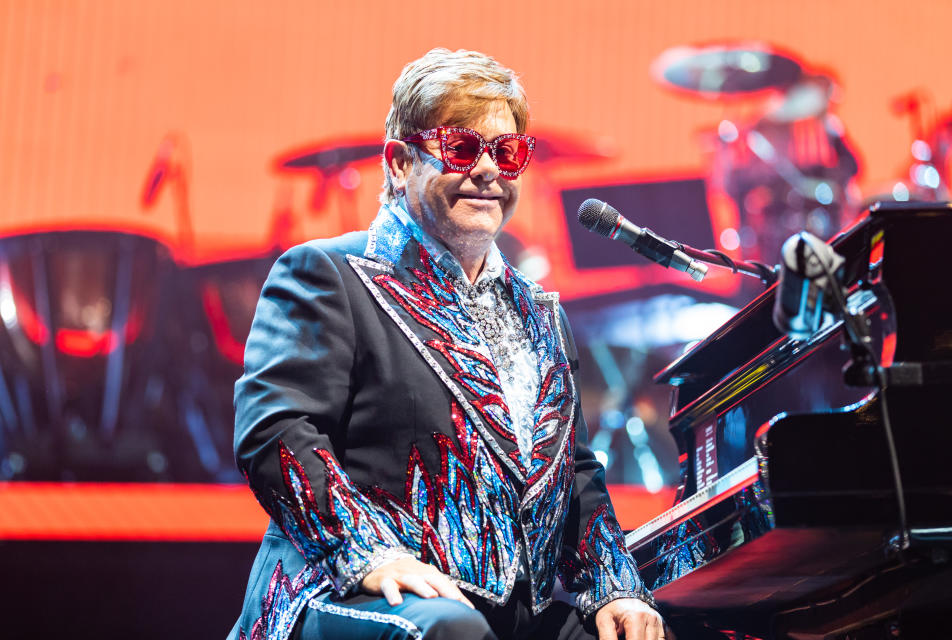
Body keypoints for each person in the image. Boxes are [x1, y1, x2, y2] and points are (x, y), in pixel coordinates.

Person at [229, 48, 665, 640]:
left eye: (507, 153)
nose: (488, 170)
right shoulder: (329, 274)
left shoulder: (540, 312)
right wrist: (369, 555)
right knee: (449, 634)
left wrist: (615, 587)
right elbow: (275, 432)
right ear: (400, 161)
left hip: (506, 611)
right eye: (462, 149)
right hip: (347, 586)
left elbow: (577, 474)